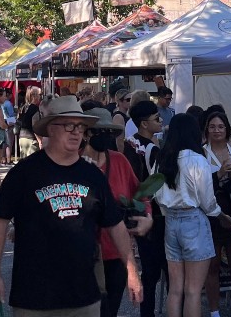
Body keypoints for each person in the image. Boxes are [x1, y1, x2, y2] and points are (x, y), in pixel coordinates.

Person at [0, 96, 141, 317]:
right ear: (50, 128)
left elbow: (115, 226)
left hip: (83, 296)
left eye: (81, 127)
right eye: (69, 125)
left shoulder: (92, 176)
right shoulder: (24, 173)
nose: (76, 132)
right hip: (33, 298)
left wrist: (132, 271)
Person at [154, 112, 231, 317]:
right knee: (193, 290)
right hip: (194, 221)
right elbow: (208, 201)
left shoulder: (162, 159)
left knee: (176, 289)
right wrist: (221, 216)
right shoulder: (198, 160)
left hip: (170, 221)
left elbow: (156, 194)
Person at [82, 107, 152, 317]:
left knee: (109, 310)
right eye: (99, 132)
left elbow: (140, 194)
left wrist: (147, 217)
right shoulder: (74, 164)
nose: (105, 137)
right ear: (87, 134)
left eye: (110, 133)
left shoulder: (119, 161)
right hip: (83, 253)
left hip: (115, 251)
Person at [201, 108, 231, 317]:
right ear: (206, 130)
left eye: (220, 126)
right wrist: (219, 173)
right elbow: (199, 187)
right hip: (210, 216)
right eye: (212, 127)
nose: (216, 130)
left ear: (227, 129)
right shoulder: (201, 153)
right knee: (211, 267)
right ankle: (214, 311)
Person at [124, 99, 167, 317]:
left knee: (150, 273)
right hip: (152, 214)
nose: (160, 122)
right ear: (144, 124)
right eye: (156, 119)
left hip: (138, 212)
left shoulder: (128, 144)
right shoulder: (146, 148)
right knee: (156, 272)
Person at [16, 86, 42, 160]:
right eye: (40, 94)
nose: (40, 97)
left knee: (24, 163)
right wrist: (40, 141)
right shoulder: (34, 109)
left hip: (22, 137)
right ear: (34, 95)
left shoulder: (24, 107)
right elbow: (35, 126)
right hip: (31, 139)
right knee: (32, 163)